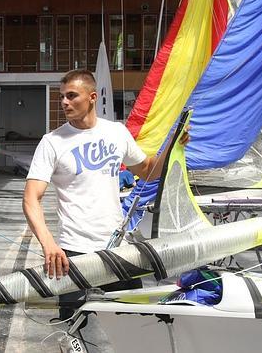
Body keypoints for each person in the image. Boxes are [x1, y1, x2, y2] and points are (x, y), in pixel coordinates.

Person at [22, 69, 187, 322]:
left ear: (92, 97)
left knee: (132, 321)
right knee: (73, 327)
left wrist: (173, 146)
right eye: (62, 97)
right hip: (73, 252)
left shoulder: (116, 132)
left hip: (117, 247)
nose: (65, 102)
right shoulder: (52, 142)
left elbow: (147, 171)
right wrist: (48, 244)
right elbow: (31, 198)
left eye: (72, 96)